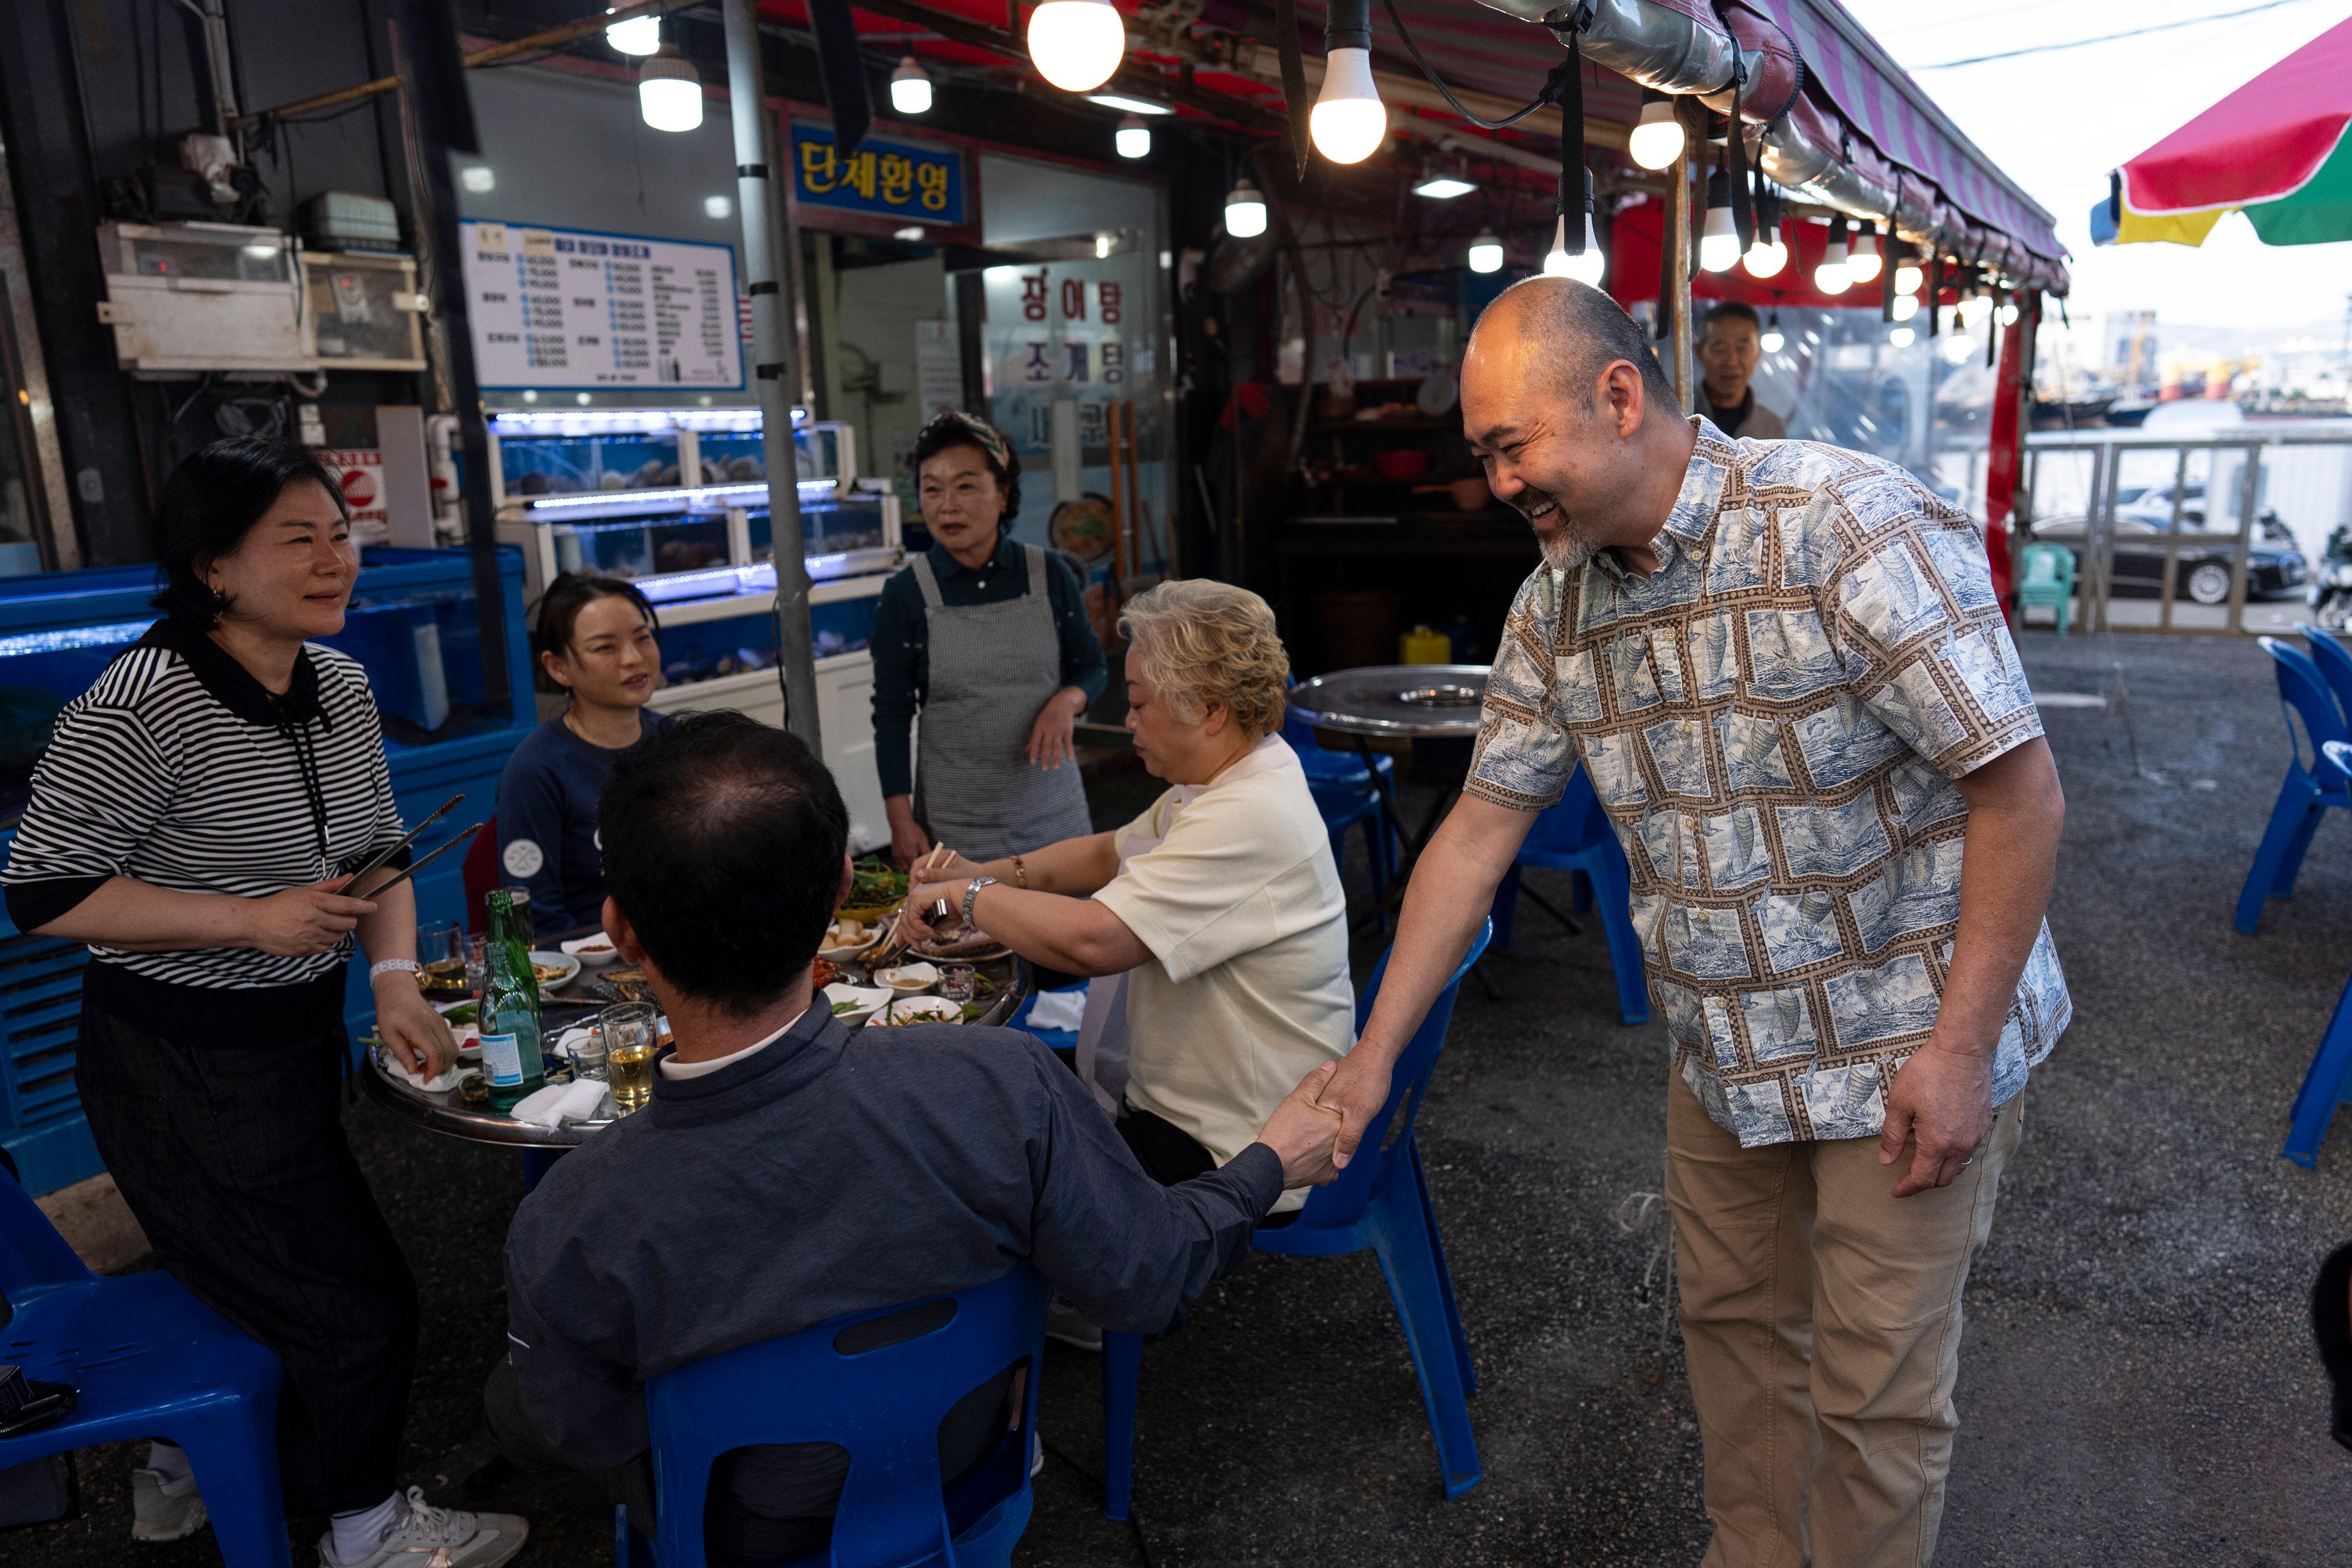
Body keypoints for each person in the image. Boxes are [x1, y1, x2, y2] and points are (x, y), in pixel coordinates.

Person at [1315, 277, 2069, 1568]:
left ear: (1618, 396)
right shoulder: (1555, 607)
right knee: (1732, 1340)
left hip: (1904, 1039)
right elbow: (1479, 832)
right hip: (1722, 1054)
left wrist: (1957, 1052)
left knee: (1876, 1396)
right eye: (1485, 455)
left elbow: (2019, 787)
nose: (1500, 482)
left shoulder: (1844, 522)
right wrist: (1371, 1056)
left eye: (1512, 446)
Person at [486, 711, 1343, 1561]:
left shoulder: (570, 1220)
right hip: (965, 1473)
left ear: (623, 931)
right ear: (835, 899)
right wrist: (1269, 1163)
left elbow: (576, 1425)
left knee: (511, 1400)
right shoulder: (1005, 1088)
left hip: (744, 1533)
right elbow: (1150, 1273)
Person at [0, 439, 526, 1568]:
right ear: (213, 570)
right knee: (358, 1306)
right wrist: (248, 920)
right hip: (178, 1064)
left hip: (288, 1046)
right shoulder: (137, 703)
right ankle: (363, 1529)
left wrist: (390, 980)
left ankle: (180, 1466)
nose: (337, 560)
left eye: (341, 535)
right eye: (301, 540)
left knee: (265, 1280)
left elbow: (382, 854)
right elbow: (44, 891)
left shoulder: (336, 680)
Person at [900, 580, 1354, 1223]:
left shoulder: (1248, 813)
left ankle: (1076, 1301)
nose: (1130, 720)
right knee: (1005, 1095)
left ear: (1211, 707)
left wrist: (971, 897)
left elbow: (1096, 939)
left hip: (1246, 1142)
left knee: (982, 1147)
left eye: (1139, 703)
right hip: (1221, 1104)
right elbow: (1107, 854)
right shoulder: (1227, 778)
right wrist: (982, 871)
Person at [870, 412, 1107, 867]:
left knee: (1061, 932)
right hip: (956, 825)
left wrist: (1067, 701)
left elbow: (1092, 667)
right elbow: (892, 714)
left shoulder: (1049, 574)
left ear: (1003, 495)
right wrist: (900, 821)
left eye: (965, 486)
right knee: (956, 933)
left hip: (1053, 816)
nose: (946, 505)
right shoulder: (906, 594)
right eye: (932, 488)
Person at [496, 573, 668, 933]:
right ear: (558, 667)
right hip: (591, 959)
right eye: (606, 647)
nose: (634, 659)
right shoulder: (536, 769)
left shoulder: (680, 743)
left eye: (643, 638)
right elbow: (535, 916)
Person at [1695, 300, 1787, 440]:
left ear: (1758, 353)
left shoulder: (1771, 427)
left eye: (1742, 349)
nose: (1732, 361)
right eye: (1720, 349)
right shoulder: (1675, 418)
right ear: (1699, 353)